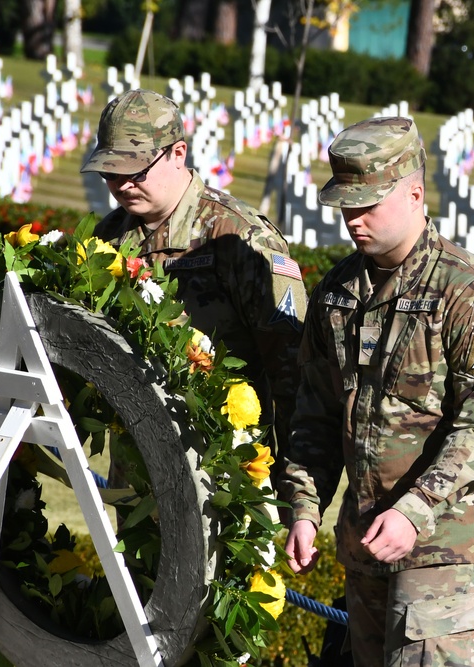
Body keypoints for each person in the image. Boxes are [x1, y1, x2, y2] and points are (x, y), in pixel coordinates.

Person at [279, 116, 474, 667]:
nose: (353, 219)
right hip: (365, 546)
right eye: (346, 204)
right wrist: (303, 506)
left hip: (445, 550)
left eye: (368, 204)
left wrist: (415, 510)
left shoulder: (470, 293)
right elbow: (315, 412)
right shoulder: (338, 294)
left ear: (414, 193)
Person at [81, 89, 306, 481]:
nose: (120, 185)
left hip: (222, 469)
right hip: (138, 466)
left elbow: (291, 374)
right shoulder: (110, 237)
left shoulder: (239, 239)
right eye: (110, 173)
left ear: (178, 153)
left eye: (134, 171)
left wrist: (295, 492)